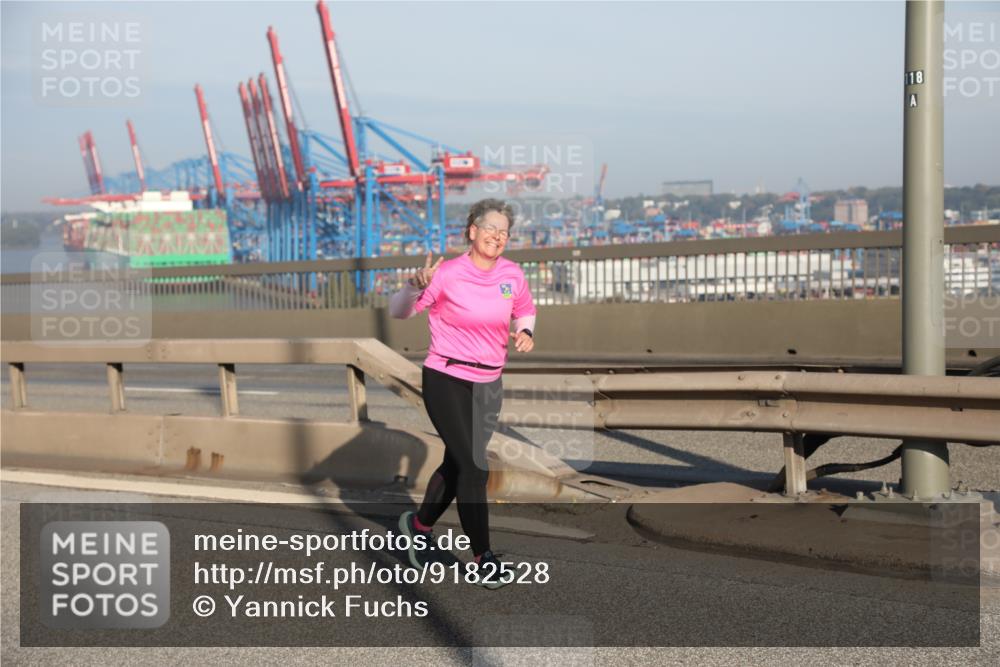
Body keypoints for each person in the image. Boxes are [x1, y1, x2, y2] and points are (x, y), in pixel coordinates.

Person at [389, 198, 536, 589]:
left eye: (504, 231)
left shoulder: (512, 274)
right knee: (474, 465)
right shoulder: (448, 274)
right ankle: (483, 558)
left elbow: (524, 308)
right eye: (490, 228)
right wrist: (411, 285)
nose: (497, 236)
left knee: (457, 464)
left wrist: (525, 331)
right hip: (446, 377)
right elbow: (398, 312)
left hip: (490, 383)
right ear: (472, 230)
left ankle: (417, 529)